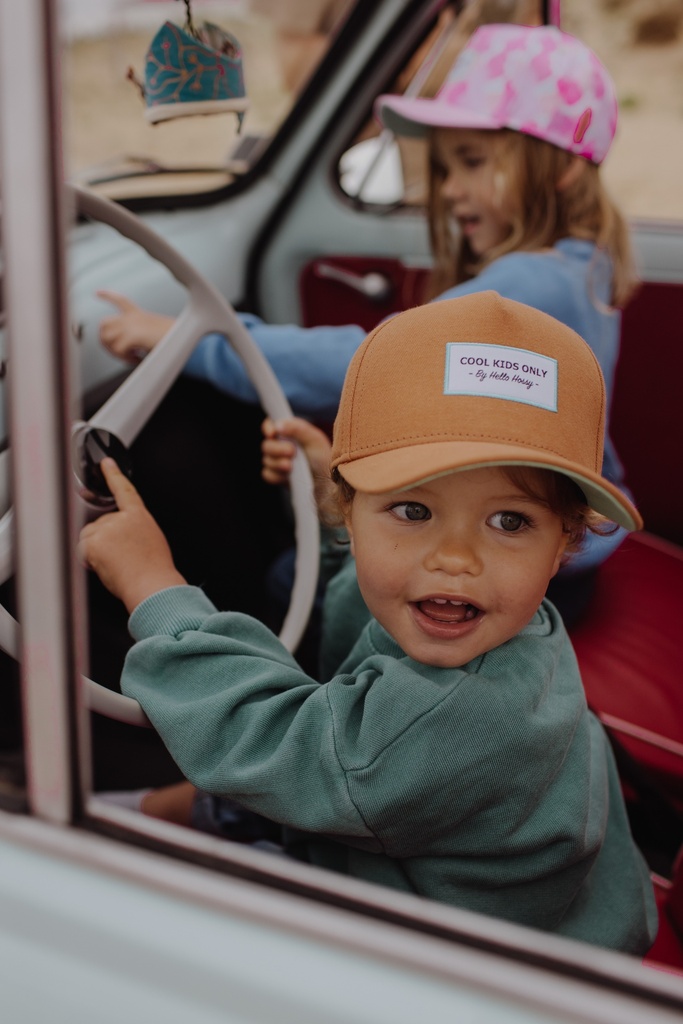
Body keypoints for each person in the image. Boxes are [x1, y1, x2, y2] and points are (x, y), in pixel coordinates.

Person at [83, 292, 657, 954]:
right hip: (464, 862)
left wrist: (153, 586)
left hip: (468, 964)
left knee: (166, 935)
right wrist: (333, 517)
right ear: (348, 510)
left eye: (509, 521)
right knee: (210, 800)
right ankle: (130, 819)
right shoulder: (507, 620)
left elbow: (273, 742)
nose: (452, 559)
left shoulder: (461, 714)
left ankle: (105, 841)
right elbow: (363, 592)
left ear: (563, 545)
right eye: (411, 510)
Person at [97, 22, 637, 624]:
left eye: (473, 161)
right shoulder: (581, 266)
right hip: (560, 549)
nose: (451, 191)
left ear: (561, 167)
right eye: (445, 169)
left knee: (288, 583)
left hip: (548, 572)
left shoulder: (531, 287)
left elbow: (371, 368)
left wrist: (193, 338)